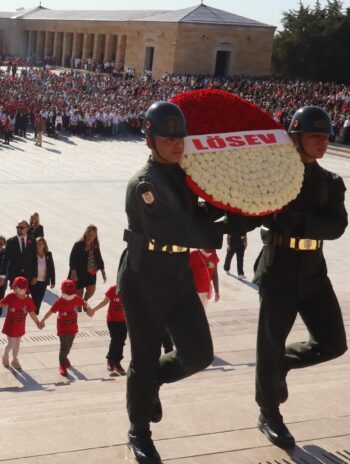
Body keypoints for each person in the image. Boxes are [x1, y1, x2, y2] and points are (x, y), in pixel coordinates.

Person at [117, 101, 230, 463]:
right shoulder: (144, 184)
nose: (176, 143)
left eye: (180, 137)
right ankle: (139, 431)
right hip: (144, 277)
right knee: (144, 356)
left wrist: (236, 205)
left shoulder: (184, 176)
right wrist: (224, 228)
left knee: (199, 354)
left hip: (177, 273)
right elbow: (175, 226)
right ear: (150, 139)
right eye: (167, 138)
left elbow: (200, 211)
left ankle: (150, 384)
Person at [253, 106, 348, 449]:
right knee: (269, 341)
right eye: (315, 135)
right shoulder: (275, 176)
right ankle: (269, 412)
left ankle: (282, 363)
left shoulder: (330, 182)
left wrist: (302, 223)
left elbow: (338, 225)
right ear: (295, 137)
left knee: (334, 342)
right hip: (279, 266)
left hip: (313, 269)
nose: (323, 141)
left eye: (326, 136)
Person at [0, 276, 42, 370]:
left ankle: (15, 360)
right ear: (14, 288)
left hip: (20, 325)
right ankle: (5, 355)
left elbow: (32, 312)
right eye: (19, 288)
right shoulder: (11, 296)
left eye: (23, 289)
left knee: (17, 343)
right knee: (11, 343)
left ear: (26, 289)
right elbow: (2, 304)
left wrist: (37, 322)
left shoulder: (28, 299)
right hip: (11, 325)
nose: (22, 291)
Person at [40, 279, 92, 376]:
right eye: (67, 294)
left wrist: (88, 308)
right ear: (62, 292)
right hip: (62, 327)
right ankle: (62, 365)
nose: (69, 296)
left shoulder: (76, 298)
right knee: (64, 347)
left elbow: (84, 302)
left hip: (73, 327)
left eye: (71, 294)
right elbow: (50, 312)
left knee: (69, 346)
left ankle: (65, 357)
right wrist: (42, 321)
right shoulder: (59, 301)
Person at [91, 284, 127, 376]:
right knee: (116, 339)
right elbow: (104, 302)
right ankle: (110, 360)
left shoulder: (132, 289)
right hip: (112, 319)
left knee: (122, 341)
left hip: (125, 321)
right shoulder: (113, 289)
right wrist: (94, 309)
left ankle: (117, 362)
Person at [68, 225, 106, 301]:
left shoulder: (95, 246)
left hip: (90, 272)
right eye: (89, 234)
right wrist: (73, 272)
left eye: (93, 235)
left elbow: (99, 259)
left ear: (95, 236)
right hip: (78, 272)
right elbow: (72, 259)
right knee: (79, 293)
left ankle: (84, 302)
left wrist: (103, 273)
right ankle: (79, 308)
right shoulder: (78, 244)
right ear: (86, 233)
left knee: (91, 289)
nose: (90, 237)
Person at [0, 220, 37, 289]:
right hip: (15, 277)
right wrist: (2, 275)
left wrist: (35, 276)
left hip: (28, 276)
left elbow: (34, 259)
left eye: (21, 228)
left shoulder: (32, 241)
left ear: (27, 228)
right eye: (17, 227)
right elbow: (5, 260)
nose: (19, 229)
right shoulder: (10, 242)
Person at [30, 237, 55, 315]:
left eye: (40, 244)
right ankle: (34, 315)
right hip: (34, 282)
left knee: (39, 301)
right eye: (37, 244)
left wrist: (53, 281)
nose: (38, 246)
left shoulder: (48, 254)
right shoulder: (32, 254)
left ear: (44, 245)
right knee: (35, 300)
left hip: (43, 282)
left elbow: (51, 268)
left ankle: (34, 314)